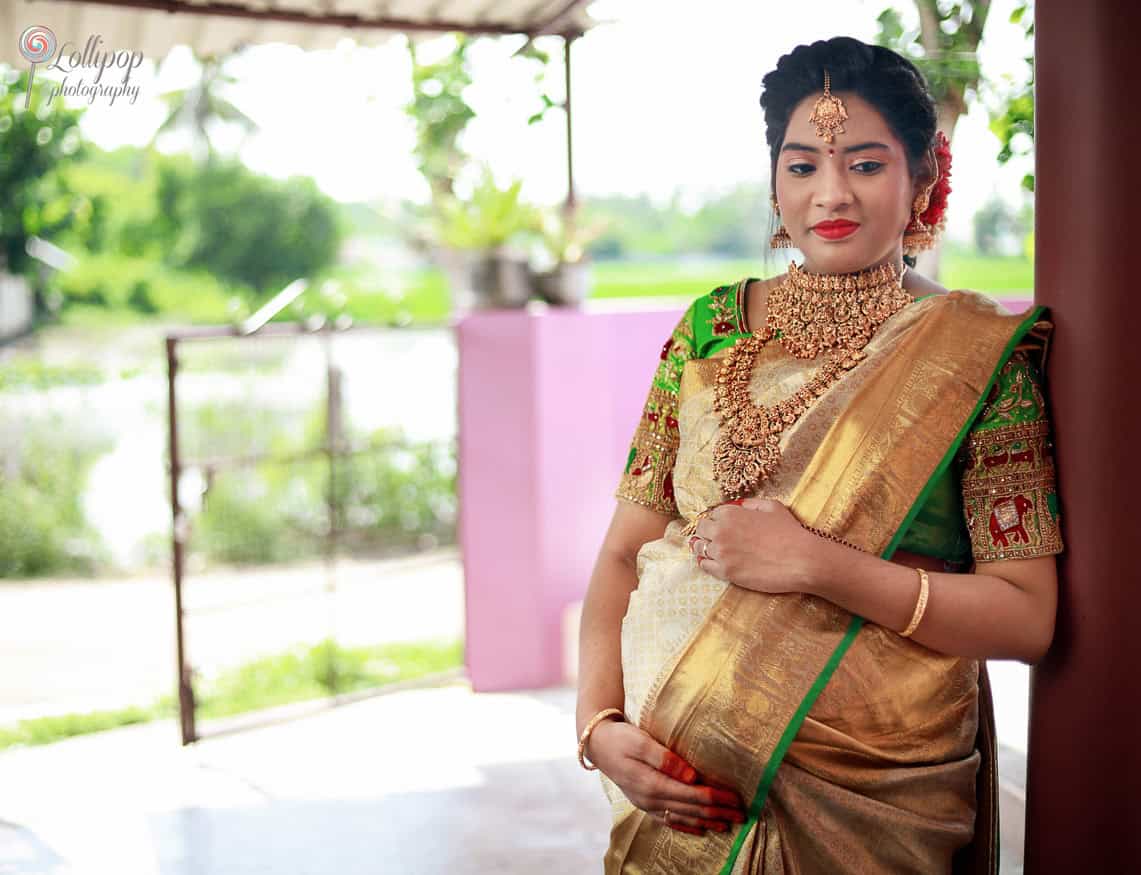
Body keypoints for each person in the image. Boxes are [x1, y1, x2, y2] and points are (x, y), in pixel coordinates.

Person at [575, 36, 1063, 874]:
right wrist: (598, 725)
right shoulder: (708, 329)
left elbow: (1025, 615)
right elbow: (623, 552)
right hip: (674, 810)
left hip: (876, 801)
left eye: (866, 165)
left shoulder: (976, 358)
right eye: (801, 167)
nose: (830, 194)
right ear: (774, 183)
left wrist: (814, 563)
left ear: (922, 179)